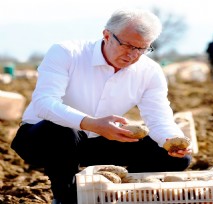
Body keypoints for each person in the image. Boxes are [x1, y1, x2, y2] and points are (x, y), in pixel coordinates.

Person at [10, 8, 192, 204]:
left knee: (175, 158)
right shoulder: (67, 53)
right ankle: (67, 198)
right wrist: (91, 123)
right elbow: (44, 103)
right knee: (62, 132)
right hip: (44, 140)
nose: (133, 55)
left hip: (100, 140)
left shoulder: (150, 71)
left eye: (142, 49)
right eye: (128, 45)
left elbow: (159, 117)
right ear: (107, 35)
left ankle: (124, 193)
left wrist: (171, 140)